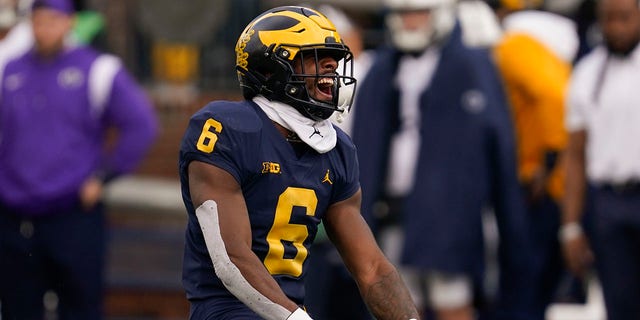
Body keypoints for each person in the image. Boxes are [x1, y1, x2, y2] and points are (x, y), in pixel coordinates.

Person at [178, 5, 420, 320]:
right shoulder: (228, 128)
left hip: (293, 311)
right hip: (230, 311)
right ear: (269, 69)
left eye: (333, 59)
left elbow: (372, 268)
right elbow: (231, 260)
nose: (332, 67)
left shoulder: (337, 148)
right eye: (316, 57)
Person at [350, 0, 534, 319]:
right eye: (404, 14)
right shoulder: (383, 68)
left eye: (418, 13)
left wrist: (509, 221)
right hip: (390, 206)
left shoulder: (470, 65)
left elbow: (499, 145)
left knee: (451, 297)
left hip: (449, 213)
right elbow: (363, 137)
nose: (410, 22)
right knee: (395, 301)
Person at [0, 0, 159, 318]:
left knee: (80, 307)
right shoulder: (10, 68)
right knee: (18, 307)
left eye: (52, 21)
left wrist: (104, 177)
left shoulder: (97, 69)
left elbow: (141, 125)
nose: (44, 29)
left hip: (72, 212)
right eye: (38, 21)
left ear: (69, 23)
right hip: (14, 215)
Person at [488, 0, 581, 317]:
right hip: (555, 180)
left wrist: (547, 161)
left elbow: (555, 96)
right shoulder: (545, 44)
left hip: (537, 183)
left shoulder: (515, 44)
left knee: (522, 287)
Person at [562, 0, 640, 319]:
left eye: (625, 18)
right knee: (619, 302)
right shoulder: (587, 73)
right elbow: (576, 155)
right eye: (609, 19)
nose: (616, 28)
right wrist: (570, 225)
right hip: (608, 201)